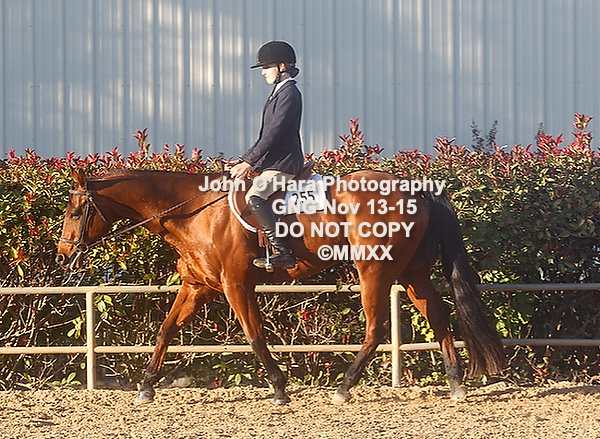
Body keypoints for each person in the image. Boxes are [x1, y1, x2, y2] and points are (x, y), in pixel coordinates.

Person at [230, 41, 303, 270]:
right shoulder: (278, 93)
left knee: (254, 196)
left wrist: (248, 162)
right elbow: (264, 136)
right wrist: (245, 159)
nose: (262, 72)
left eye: (266, 67)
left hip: (284, 164)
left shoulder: (289, 93)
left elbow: (273, 134)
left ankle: (282, 252)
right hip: (274, 161)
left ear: (282, 66)